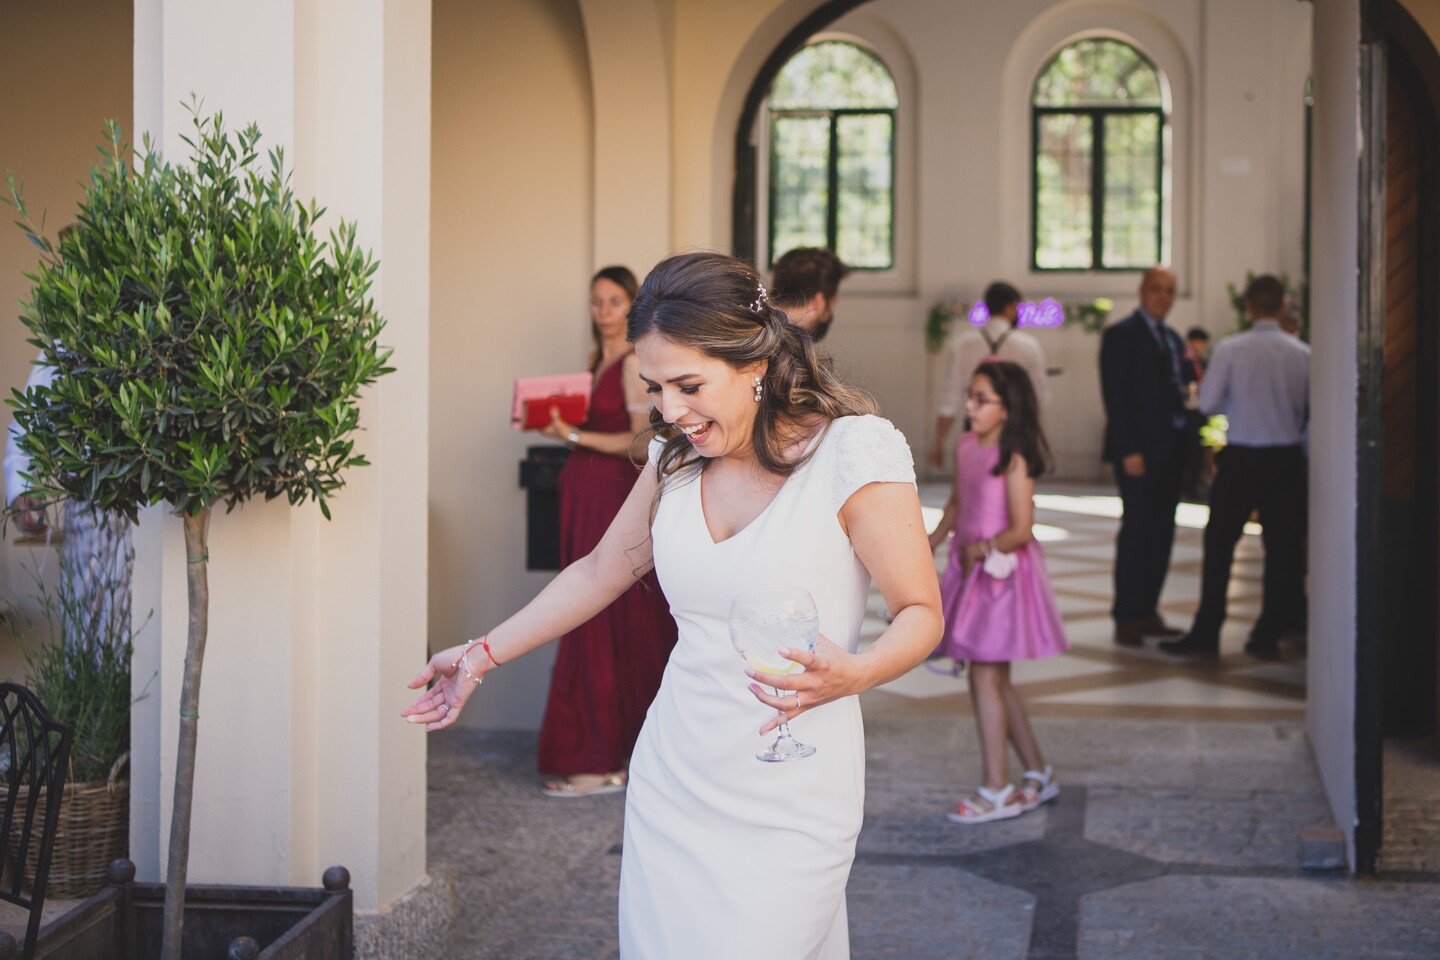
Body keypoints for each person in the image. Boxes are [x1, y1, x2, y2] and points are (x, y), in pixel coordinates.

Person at [404, 251, 943, 959]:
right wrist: (480, 654)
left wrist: (858, 673)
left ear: (753, 364)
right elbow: (600, 571)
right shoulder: (674, 459)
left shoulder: (852, 452)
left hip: (794, 787)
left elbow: (921, 612)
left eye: (689, 384)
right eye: (654, 387)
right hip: (675, 777)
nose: (669, 411)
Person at [528, 266, 679, 797]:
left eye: (615, 301)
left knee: (609, 613)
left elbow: (642, 441)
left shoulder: (635, 360)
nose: (605, 311)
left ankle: (607, 757)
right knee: (588, 610)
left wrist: (568, 433)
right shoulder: (599, 360)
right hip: (584, 500)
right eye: (597, 302)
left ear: (632, 304)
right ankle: (608, 752)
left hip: (612, 498)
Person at [928, 361, 1067, 823]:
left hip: (1000, 579)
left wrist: (983, 549)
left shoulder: (1014, 458)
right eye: (970, 395)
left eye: (981, 399)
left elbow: (1022, 529)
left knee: (985, 675)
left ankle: (997, 787)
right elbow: (956, 503)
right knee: (994, 678)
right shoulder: (967, 445)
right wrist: (930, 543)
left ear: (1007, 410)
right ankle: (1038, 772)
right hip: (971, 569)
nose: (970, 405)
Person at [1162, 275, 1309, 660]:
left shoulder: (1231, 349)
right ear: (1281, 307)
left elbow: (1208, 403)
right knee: (1281, 550)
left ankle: (1208, 630)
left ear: (1247, 307)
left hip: (1242, 456)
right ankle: (1267, 634)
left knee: (1220, 546)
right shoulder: (1302, 353)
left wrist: (1240, 403)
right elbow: (1310, 412)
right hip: (1286, 459)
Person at [1100, 266, 1196, 647]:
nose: (1163, 297)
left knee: (1162, 535)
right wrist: (1129, 449)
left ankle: (1148, 611)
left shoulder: (1173, 338)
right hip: (1138, 453)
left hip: (1171, 453)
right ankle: (1126, 616)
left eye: (1170, 290)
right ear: (1141, 290)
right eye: (1157, 289)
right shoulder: (1121, 336)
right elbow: (1115, 397)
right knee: (1137, 533)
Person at [929, 281, 1049, 468]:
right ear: (1010, 306)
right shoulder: (1028, 346)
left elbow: (949, 399)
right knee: (1013, 484)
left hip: (975, 427)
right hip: (1015, 428)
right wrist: (1033, 436)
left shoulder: (963, 344)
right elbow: (1039, 397)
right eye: (1018, 307)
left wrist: (938, 442)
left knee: (972, 485)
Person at [770, 246, 848, 340]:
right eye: (832, 303)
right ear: (820, 301)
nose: (830, 313)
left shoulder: (756, 339)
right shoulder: (799, 351)